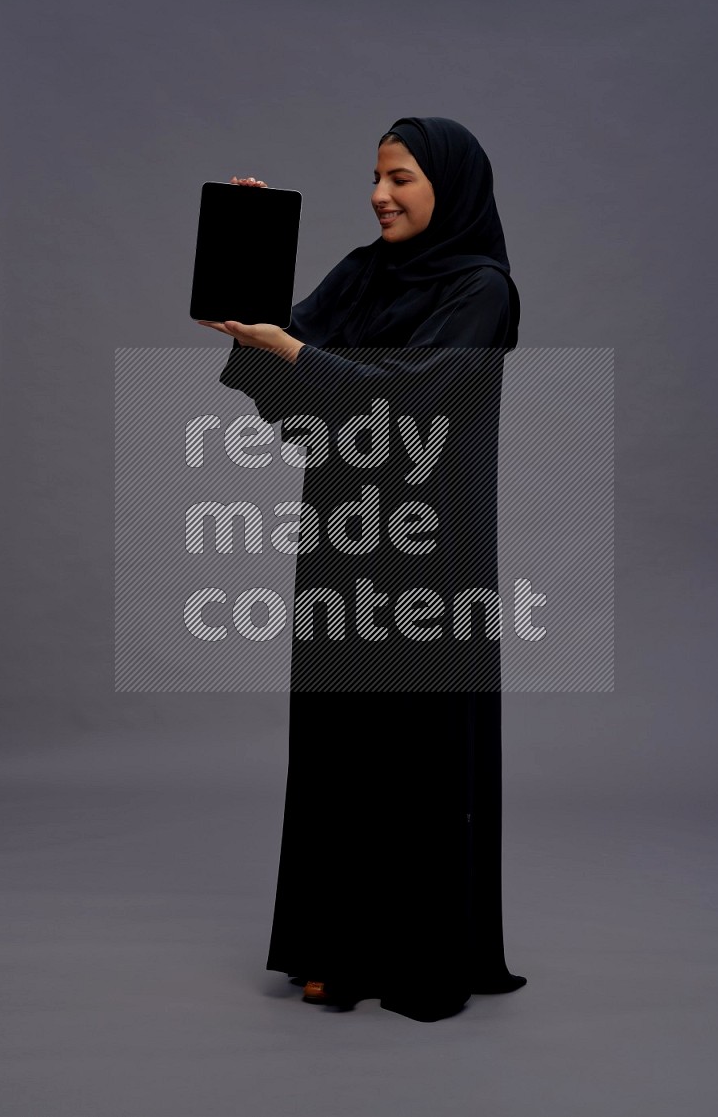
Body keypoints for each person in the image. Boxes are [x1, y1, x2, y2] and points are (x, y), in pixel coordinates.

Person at [198, 116, 527, 1022]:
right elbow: (282, 379)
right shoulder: (361, 271)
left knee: (415, 752)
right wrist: (246, 273)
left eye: (403, 177)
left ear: (448, 187)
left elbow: (410, 403)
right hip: (343, 541)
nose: (381, 193)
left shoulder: (480, 290)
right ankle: (333, 949)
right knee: (341, 747)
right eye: (376, 176)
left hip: (431, 556)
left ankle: (421, 958)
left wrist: (295, 354)